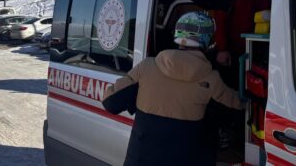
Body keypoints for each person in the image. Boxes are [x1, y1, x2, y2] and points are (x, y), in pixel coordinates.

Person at [102, 11, 244, 166]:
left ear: (178, 35)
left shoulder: (146, 67)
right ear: (207, 39)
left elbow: (111, 103)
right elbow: (237, 107)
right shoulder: (211, 79)